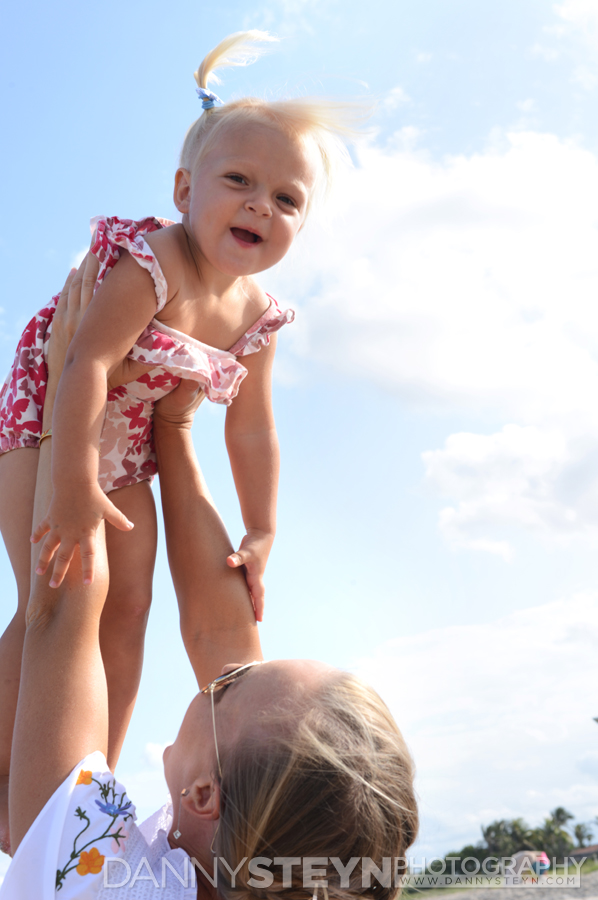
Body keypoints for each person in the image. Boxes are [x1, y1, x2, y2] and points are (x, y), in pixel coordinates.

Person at [0, 29, 363, 833]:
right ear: (183, 189)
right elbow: (86, 362)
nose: (261, 205)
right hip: (49, 415)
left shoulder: (260, 318)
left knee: (128, 607)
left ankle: (90, 777)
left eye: (288, 199)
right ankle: (9, 769)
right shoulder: (154, 262)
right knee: (59, 590)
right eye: (239, 181)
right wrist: (72, 486)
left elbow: (253, 429)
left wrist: (262, 528)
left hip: (132, 444)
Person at [0, 281, 418, 898]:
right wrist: (172, 425)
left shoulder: (95, 883)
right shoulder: (227, 854)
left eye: (228, 687)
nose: (223, 670)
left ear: (204, 794)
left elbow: (58, 614)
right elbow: (220, 631)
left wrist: (71, 401)